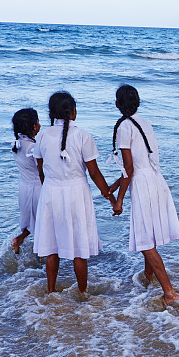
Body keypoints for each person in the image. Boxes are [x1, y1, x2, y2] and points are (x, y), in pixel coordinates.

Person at [33, 92, 114, 295]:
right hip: (77, 194)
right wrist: (110, 196)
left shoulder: (42, 136)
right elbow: (94, 173)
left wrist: (48, 188)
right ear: (73, 112)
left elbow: (41, 169)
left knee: (51, 248)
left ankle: (51, 291)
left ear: (51, 113)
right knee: (79, 249)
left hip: (51, 192)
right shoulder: (83, 136)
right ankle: (82, 293)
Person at [108, 85, 179, 305]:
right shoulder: (145, 123)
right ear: (138, 103)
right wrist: (116, 185)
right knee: (149, 236)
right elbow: (139, 163)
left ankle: (169, 293)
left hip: (142, 184)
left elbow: (129, 167)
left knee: (144, 242)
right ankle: (149, 278)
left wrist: (119, 199)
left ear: (117, 105)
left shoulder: (124, 127)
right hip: (156, 180)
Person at [10, 108, 42, 254]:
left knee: (32, 219)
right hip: (37, 189)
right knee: (43, 221)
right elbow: (42, 171)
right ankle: (43, 253)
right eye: (38, 121)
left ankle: (20, 239)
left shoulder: (17, 144)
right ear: (34, 126)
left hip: (24, 188)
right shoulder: (33, 148)